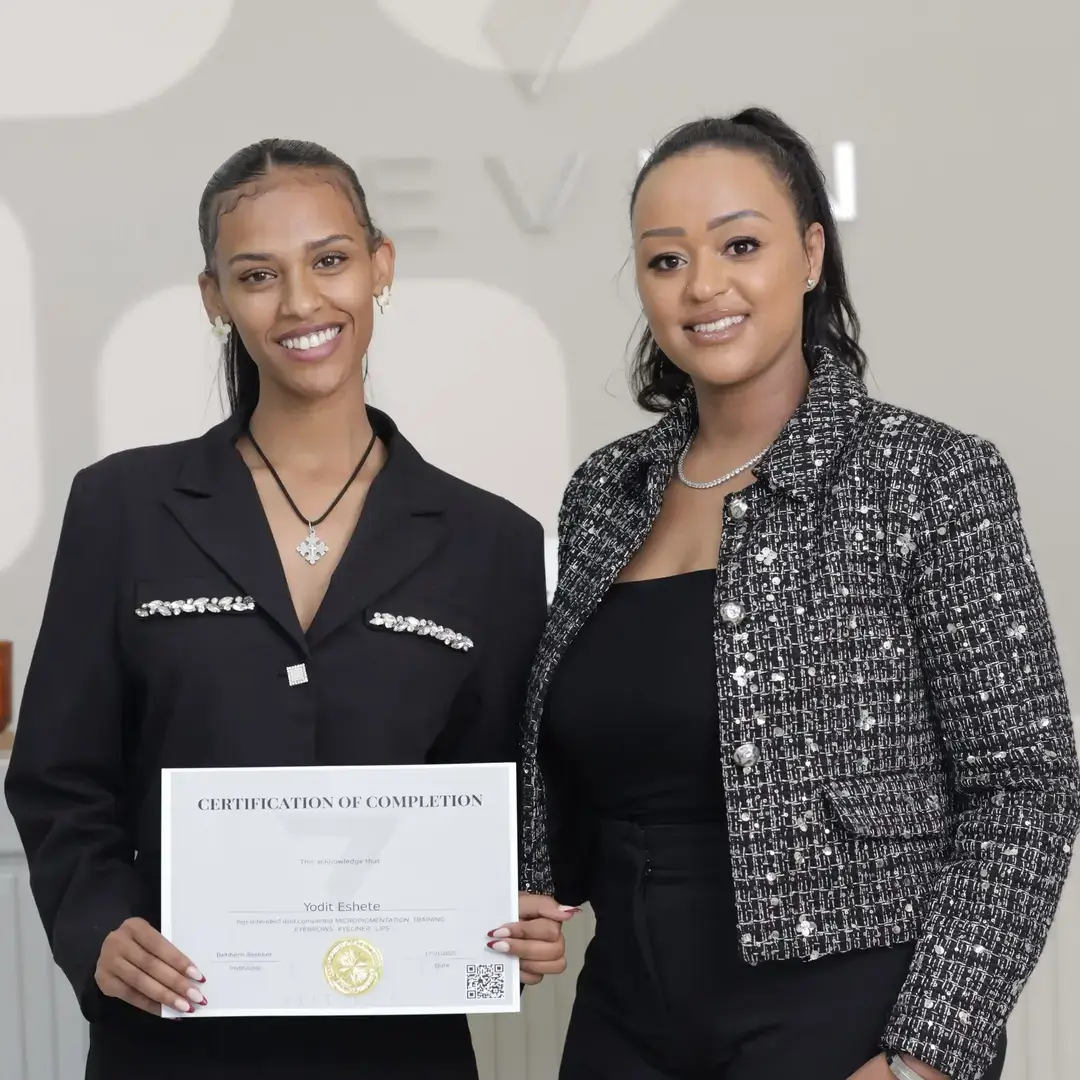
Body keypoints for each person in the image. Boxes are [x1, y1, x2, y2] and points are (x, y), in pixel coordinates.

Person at [519, 109, 1080, 1080]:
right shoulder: (605, 492)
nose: (703, 286)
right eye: (665, 260)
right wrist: (528, 889)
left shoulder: (929, 478)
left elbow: (1026, 786)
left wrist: (926, 1054)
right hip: (625, 1015)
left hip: (843, 1021)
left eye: (741, 244)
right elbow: (590, 764)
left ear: (812, 253)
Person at [4, 138, 569, 1080]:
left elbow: (513, 798)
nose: (302, 303)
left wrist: (530, 909)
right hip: (172, 1042)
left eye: (331, 261)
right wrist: (99, 927)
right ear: (213, 298)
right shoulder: (122, 509)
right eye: (258, 274)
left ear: (380, 266)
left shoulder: (491, 543)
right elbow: (61, 776)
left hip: (402, 1050)